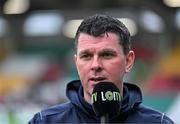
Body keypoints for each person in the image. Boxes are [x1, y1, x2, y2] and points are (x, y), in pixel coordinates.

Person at [29, 14, 174, 123]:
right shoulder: (44, 122)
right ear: (76, 62)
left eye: (107, 55)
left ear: (128, 61)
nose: (95, 65)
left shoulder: (158, 123)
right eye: (86, 56)